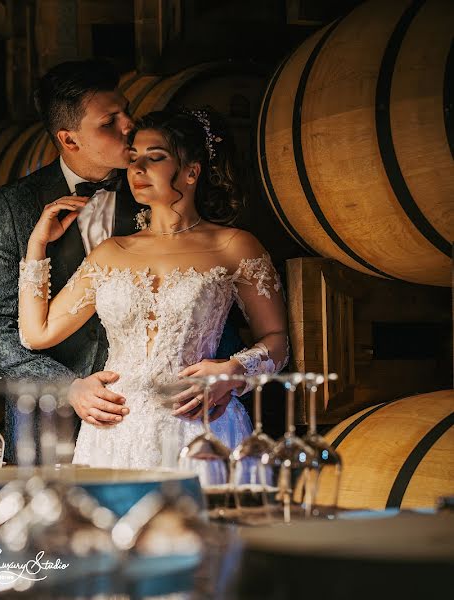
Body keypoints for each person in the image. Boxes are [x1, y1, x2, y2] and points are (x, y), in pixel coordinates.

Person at [0, 59, 243, 463]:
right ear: (70, 139)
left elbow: (209, 295)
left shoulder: (165, 189)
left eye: (126, 110)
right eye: (109, 121)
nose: (129, 125)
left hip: (173, 417)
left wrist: (225, 378)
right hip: (51, 420)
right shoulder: (18, 204)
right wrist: (66, 385)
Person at [16, 108, 289, 469]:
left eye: (154, 158)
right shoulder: (111, 253)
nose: (137, 169)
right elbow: (37, 334)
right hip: (113, 432)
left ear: (191, 171)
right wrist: (37, 245)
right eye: (132, 159)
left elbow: (277, 340)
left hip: (197, 426)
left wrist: (234, 371)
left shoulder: (235, 246)